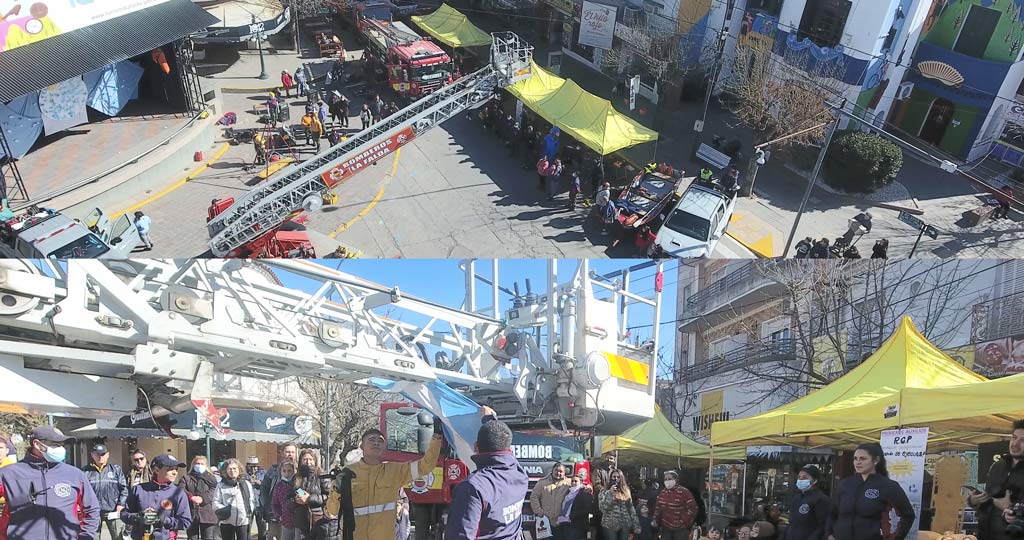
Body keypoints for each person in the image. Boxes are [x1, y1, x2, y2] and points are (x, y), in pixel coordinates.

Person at [340, 424, 443, 540]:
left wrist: (436, 438)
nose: (376, 443)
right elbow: (332, 509)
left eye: (380, 441)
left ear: (384, 447)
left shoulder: (394, 471)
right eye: (371, 440)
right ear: (362, 446)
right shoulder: (348, 473)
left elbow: (425, 466)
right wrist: (336, 492)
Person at [0, 426, 101, 540]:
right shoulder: (7, 474)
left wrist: (85, 537)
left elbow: (92, 509)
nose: (61, 449)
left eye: (62, 445)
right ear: (37, 444)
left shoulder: (75, 475)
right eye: (55, 444)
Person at [445, 406, 529, 540]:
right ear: (509, 448)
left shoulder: (473, 488)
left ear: (476, 447)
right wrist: (489, 420)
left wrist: (488, 421)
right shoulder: (519, 473)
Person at [827, 442, 915, 540]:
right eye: (855, 458)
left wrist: (895, 538)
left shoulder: (888, 486)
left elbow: (908, 515)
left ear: (876, 460)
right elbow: (832, 512)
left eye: (863, 459)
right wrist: (829, 534)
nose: (858, 462)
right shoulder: (845, 484)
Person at [970, 419, 1024, 540]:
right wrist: (974, 500)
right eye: (1014, 437)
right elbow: (989, 498)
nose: (1015, 443)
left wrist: (1012, 510)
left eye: (1023, 440)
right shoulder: (998, 466)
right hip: (987, 534)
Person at [121, 453, 192, 540]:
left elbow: (185, 522)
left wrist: (163, 520)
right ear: (157, 470)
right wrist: (138, 517)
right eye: (170, 469)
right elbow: (124, 514)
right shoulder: (139, 489)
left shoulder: (178, 493)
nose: (175, 472)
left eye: (176, 469)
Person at [83, 443, 128, 540]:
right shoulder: (85, 471)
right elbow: (81, 491)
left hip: (113, 509)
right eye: (97, 454)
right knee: (92, 537)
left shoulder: (116, 470)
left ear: (107, 455)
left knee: (119, 537)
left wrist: (121, 504)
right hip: (93, 511)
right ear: (92, 455)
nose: (100, 457)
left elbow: (124, 488)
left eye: (103, 454)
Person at [289, 449, 335, 540]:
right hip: (301, 522)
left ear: (315, 461)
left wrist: (309, 498)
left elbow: (330, 497)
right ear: (301, 461)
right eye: (305, 459)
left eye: (310, 459)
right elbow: (288, 499)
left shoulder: (322, 475)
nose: (308, 462)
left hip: (318, 519)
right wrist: (295, 500)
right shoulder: (296, 477)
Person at [262, 444, 299, 540]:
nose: (290, 454)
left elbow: (303, 493)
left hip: (297, 518)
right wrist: (268, 509)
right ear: (282, 453)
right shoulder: (273, 470)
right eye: (287, 452)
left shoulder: (300, 472)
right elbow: (264, 490)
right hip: (276, 515)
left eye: (292, 452)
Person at [783, 465, 829, 540]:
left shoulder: (821, 499)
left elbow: (823, 526)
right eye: (799, 477)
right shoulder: (796, 498)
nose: (800, 480)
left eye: (804, 478)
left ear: (814, 480)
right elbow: (791, 523)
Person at [214, 458, 256, 540]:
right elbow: (215, 501)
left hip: (243, 521)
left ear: (239, 469)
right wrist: (225, 510)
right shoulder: (220, 485)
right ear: (225, 471)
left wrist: (247, 513)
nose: (232, 471)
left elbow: (252, 500)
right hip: (226, 521)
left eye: (234, 468)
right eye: (229, 469)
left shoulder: (246, 484)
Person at [652, 470, 698, 540]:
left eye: (669, 479)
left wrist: (682, 521)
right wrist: (655, 519)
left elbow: (693, 508)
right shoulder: (663, 493)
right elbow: (658, 508)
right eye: (666, 479)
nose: (667, 481)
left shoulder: (684, 492)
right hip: (665, 528)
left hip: (680, 529)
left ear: (675, 479)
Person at [531, 462, 572, 539]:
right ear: (552, 470)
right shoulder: (542, 483)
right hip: (546, 521)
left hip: (562, 522)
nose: (558, 473)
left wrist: (588, 487)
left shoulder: (569, 483)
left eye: (561, 471)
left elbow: (580, 486)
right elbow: (534, 497)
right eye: (556, 470)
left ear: (564, 473)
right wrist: (539, 512)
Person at [182, 455, 219, 540]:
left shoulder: (211, 478)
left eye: (202, 464)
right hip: (191, 513)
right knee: (192, 537)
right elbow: (181, 490)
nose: (199, 465)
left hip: (208, 514)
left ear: (206, 466)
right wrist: (191, 497)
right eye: (197, 463)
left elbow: (214, 491)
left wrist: (202, 498)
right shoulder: (186, 478)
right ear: (193, 465)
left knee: (208, 537)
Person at [598, 469, 640, 540]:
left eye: (618, 477)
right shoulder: (604, 491)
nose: (616, 479)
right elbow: (602, 508)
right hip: (610, 525)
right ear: (610, 478)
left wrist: (636, 525)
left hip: (625, 524)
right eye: (614, 477)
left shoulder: (626, 490)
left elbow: (631, 508)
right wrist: (610, 493)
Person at [559, 472, 593, 540]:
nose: (573, 483)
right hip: (564, 522)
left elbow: (588, 509)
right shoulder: (568, 493)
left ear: (581, 483)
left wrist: (573, 516)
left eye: (576, 481)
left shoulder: (584, 493)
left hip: (576, 524)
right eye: (572, 481)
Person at [271, 460, 298, 540]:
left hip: (299, 522)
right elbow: (274, 504)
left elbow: (303, 496)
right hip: (286, 522)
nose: (287, 473)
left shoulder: (298, 484)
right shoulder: (279, 486)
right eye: (284, 471)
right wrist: (279, 516)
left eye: (289, 471)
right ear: (281, 472)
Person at [246, 457, 268, 540]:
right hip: (249, 504)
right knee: (247, 527)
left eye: (255, 466)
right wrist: (247, 482)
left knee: (262, 528)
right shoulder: (244, 474)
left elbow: (268, 486)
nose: (254, 468)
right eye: (251, 466)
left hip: (260, 504)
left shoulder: (263, 473)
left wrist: (261, 483)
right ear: (247, 466)